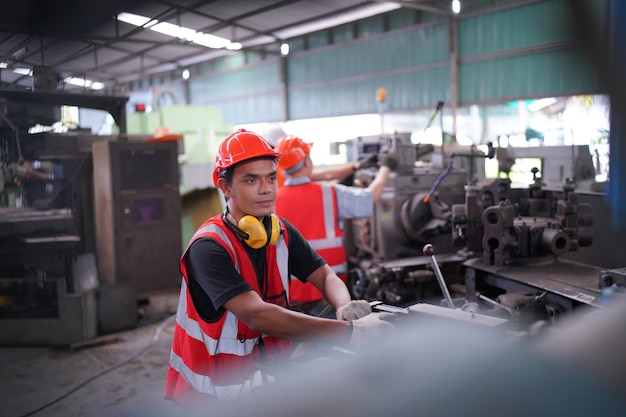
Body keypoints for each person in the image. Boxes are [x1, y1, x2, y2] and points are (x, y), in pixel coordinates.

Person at [164, 129, 395, 410]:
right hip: (213, 395)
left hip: (264, 381)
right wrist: (349, 332)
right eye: (252, 180)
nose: (267, 189)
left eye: (271, 178)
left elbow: (324, 275)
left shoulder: (281, 231)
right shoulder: (208, 247)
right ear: (225, 187)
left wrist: (345, 307)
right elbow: (257, 316)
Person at [273, 135, 397, 316]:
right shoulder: (330, 194)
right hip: (330, 295)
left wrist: (356, 166)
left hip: (289, 298)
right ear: (307, 162)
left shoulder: (272, 201)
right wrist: (386, 167)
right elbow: (371, 197)